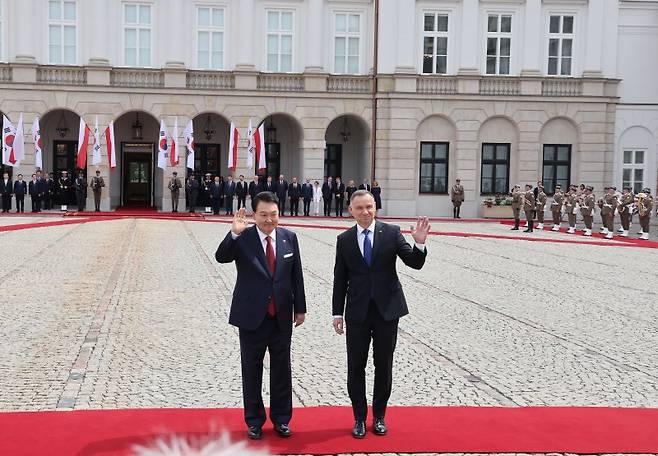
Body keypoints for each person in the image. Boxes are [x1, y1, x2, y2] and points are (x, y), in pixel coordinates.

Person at [332, 190, 429, 439]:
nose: (365, 212)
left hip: (387, 311)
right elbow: (340, 279)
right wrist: (336, 313)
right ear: (350, 210)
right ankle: (359, 419)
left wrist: (419, 243)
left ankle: (380, 416)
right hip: (357, 312)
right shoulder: (344, 240)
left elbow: (414, 263)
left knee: (383, 364)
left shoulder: (392, 233)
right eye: (360, 208)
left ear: (376, 207)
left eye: (369, 207)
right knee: (356, 366)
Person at [215, 191, 306, 440]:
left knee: (281, 369)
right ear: (254, 215)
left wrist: (300, 308)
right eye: (263, 215)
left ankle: (281, 419)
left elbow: (296, 275)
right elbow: (221, 257)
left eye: (273, 215)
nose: (269, 220)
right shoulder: (243, 238)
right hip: (252, 315)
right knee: (251, 368)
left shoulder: (289, 238)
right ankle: (254, 421)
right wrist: (234, 232)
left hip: (281, 315)